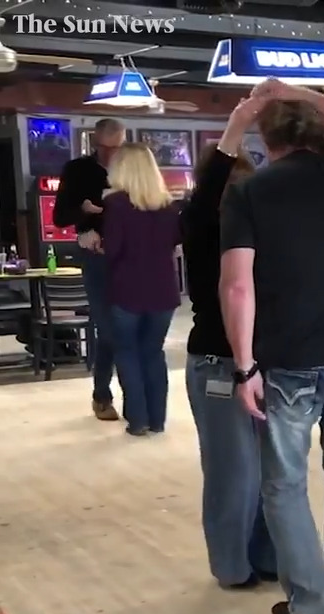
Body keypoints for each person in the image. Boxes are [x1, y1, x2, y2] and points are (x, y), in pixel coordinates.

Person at [220, 79, 324, 614]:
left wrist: (244, 366)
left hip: (290, 361)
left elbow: (238, 286)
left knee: (286, 484)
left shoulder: (250, 191)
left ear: (267, 138)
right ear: (317, 127)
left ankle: (312, 603)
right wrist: (301, 91)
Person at [181, 99, 276, 591]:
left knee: (263, 471)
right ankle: (232, 566)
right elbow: (209, 192)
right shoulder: (202, 225)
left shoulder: (256, 232)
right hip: (219, 362)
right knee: (232, 473)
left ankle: (263, 556)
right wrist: (237, 124)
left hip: (258, 363)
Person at [98, 143, 182, 436]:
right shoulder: (169, 206)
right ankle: (157, 420)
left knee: (128, 353)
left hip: (127, 291)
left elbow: (114, 251)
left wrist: (100, 244)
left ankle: (138, 420)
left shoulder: (117, 204)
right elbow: (172, 244)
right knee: (153, 354)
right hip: (163, 291)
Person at [51, 117, 124, 422]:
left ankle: (127, 397)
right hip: (95, 254)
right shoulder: (78, 170)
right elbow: (59, 217)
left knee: (127, 329)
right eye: (105, 148)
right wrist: (82, 212)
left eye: (116, 148)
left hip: (130, 254)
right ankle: (104, 394)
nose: (110, 155)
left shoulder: (133, 167)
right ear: (95, 142)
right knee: (108, 328)